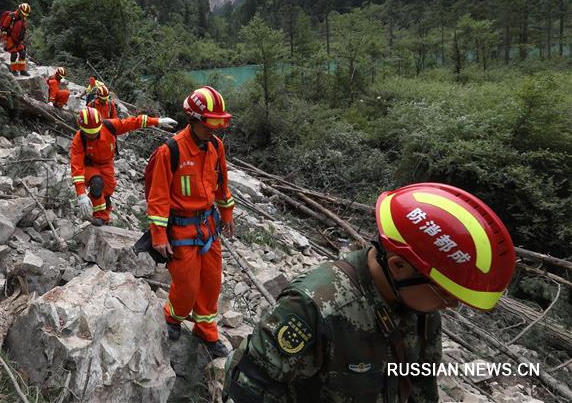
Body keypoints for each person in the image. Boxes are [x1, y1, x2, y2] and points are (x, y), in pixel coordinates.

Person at [223, 183, 516, 403]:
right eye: (446, 295)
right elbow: (248, 389)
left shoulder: (422, 308)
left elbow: (420, 387)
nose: (451, 306)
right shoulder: (317, 306)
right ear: (398, 266)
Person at [147, 86, 236, 358]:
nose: (214, 131)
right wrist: (159, 235)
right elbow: (158, 196)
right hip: (181, 228)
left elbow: (221, 183)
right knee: (186, 286)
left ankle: (205, 330)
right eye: (210, 125)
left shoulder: (215, 147)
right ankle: (173, 316)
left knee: (211, 282)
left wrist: (227, 213)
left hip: (208, 226)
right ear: (195, 120)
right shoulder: (170, 151)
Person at [72, 108, 177, 226]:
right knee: (97, 183)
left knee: (106, 192)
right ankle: (100, 216)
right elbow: (77, 166)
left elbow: (133, 122)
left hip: (107, 164)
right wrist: (81, 194)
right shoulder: (79, 139)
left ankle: (101, 212)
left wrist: (157, 121)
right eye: (88, 134)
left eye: (95, 132)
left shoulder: (110, 126)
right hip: (90, 165)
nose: (92, 136)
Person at [5, 2, 30, 75]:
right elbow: (4, 28)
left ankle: (22, 70)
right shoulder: (11, 16)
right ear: (19, 10)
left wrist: (23, 39)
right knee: (14, 54)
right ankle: (14, 70)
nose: (23, 16)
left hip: (18, 40)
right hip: (10, 38)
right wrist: (5, 40)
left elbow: (23, 30)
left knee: (22, 53)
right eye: (23, 14)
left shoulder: (23, 19)